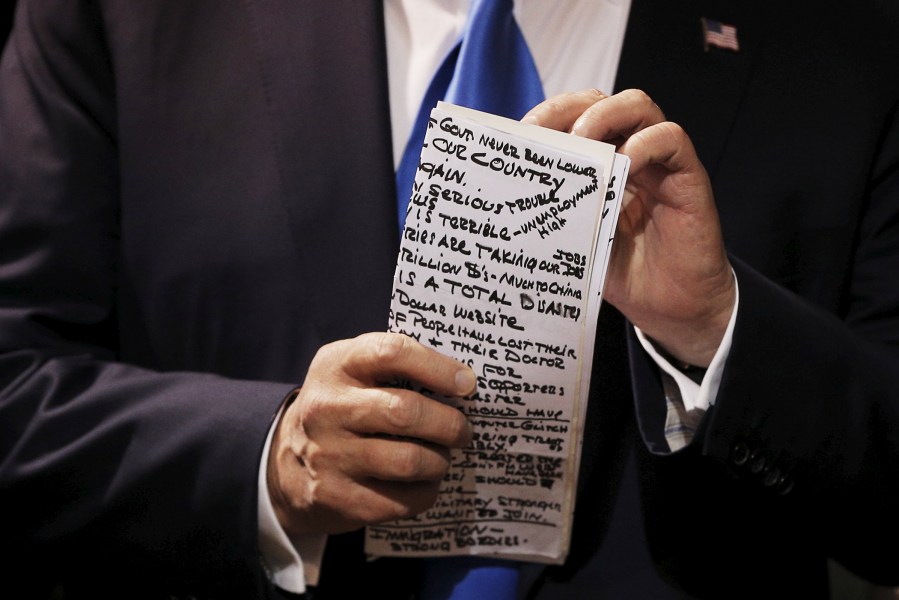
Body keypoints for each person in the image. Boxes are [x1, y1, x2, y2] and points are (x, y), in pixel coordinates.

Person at [1, 1, 897, 598]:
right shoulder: (128, 16)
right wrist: (267, 458)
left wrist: (715, 328)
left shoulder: (853, 40)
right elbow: (16, 386)